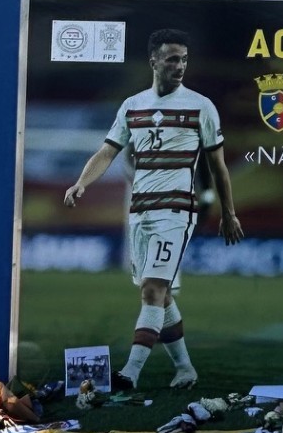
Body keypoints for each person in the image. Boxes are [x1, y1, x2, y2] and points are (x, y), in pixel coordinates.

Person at [64, 28, 244, 389]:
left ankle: (130, 373)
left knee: (152, 290)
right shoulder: (132, 105)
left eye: (184, 59)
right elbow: (107, 152)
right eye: (173, 58)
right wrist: (83, 182)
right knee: (158, 295)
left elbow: (217, 166)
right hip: (140, 211)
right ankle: (185, 369)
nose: (180, 66)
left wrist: (229, 212)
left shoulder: (200, 106)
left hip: (176, 211)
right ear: (154, 61)